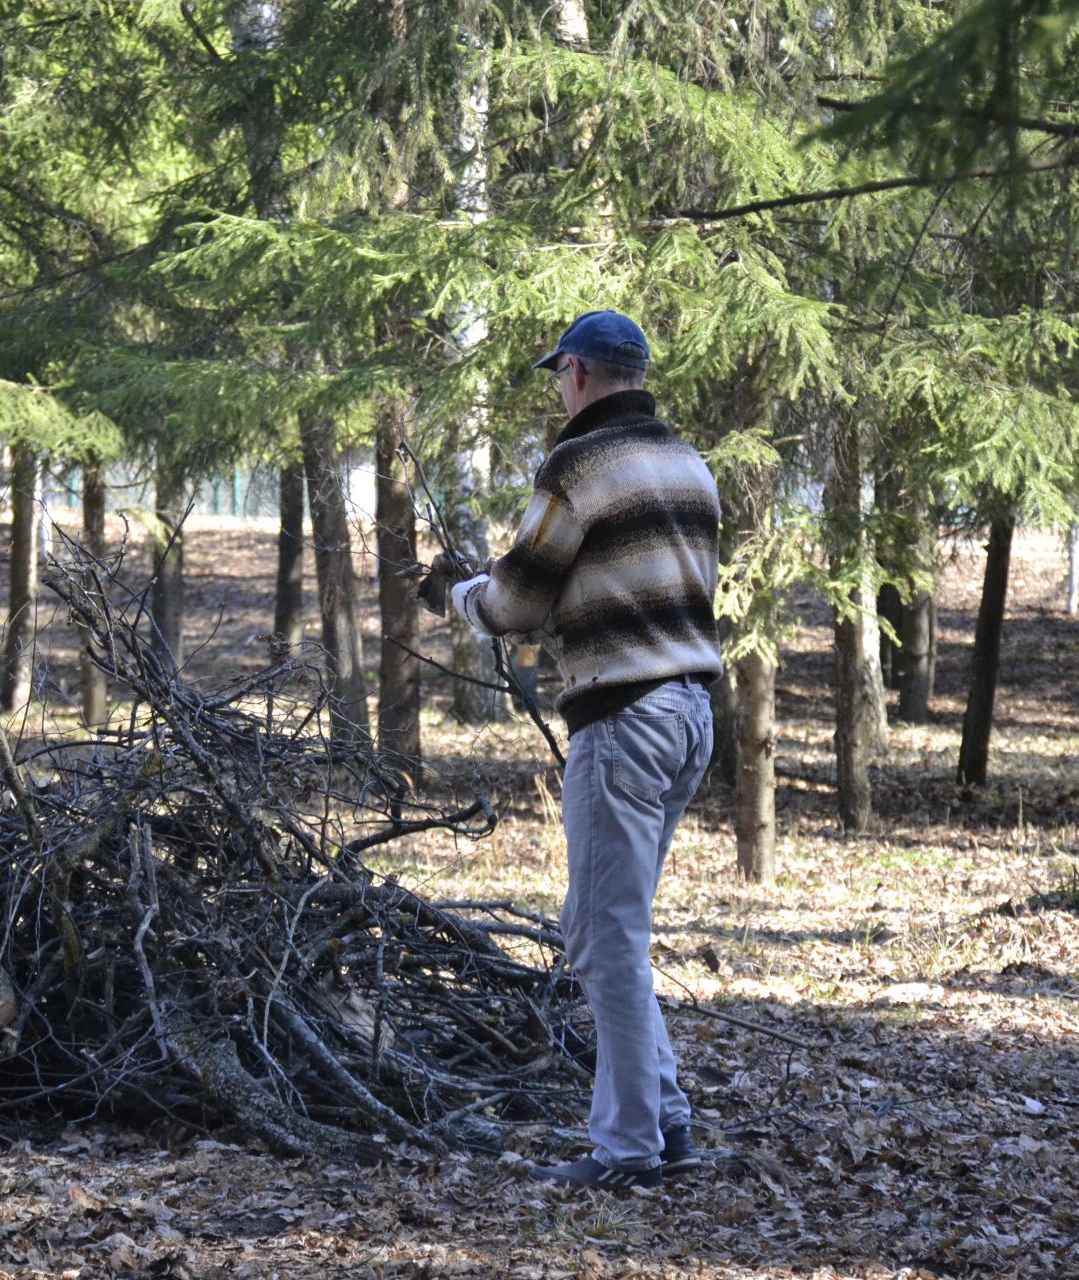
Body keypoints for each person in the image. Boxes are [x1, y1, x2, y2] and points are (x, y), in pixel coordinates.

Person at [421, 310, 723, 1189]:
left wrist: (456, 593)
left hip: (626, 723)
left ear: (583, 373)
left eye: (560, 374)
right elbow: (622, 591)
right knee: (610, 930)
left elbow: (517, 602)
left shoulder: (580, 463)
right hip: (690, 716)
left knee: (599, 936)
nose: (559, 388)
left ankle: (628, 1150)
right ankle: (665, 1123)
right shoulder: (687, 464)